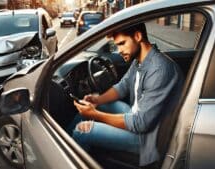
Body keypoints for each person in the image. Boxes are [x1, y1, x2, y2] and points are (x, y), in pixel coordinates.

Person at [72, 23, 184, 166]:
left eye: (122, 44)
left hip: (149, 139)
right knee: (89, 106)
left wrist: (94, 114)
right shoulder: (140, 60)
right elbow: (122, 87)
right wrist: (97, 100)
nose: (119, 50)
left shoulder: (159, 70)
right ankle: (60, 142)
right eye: (117, 46)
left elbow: (140, 123)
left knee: (82, 130)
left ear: (138, 36)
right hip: (138, 118)